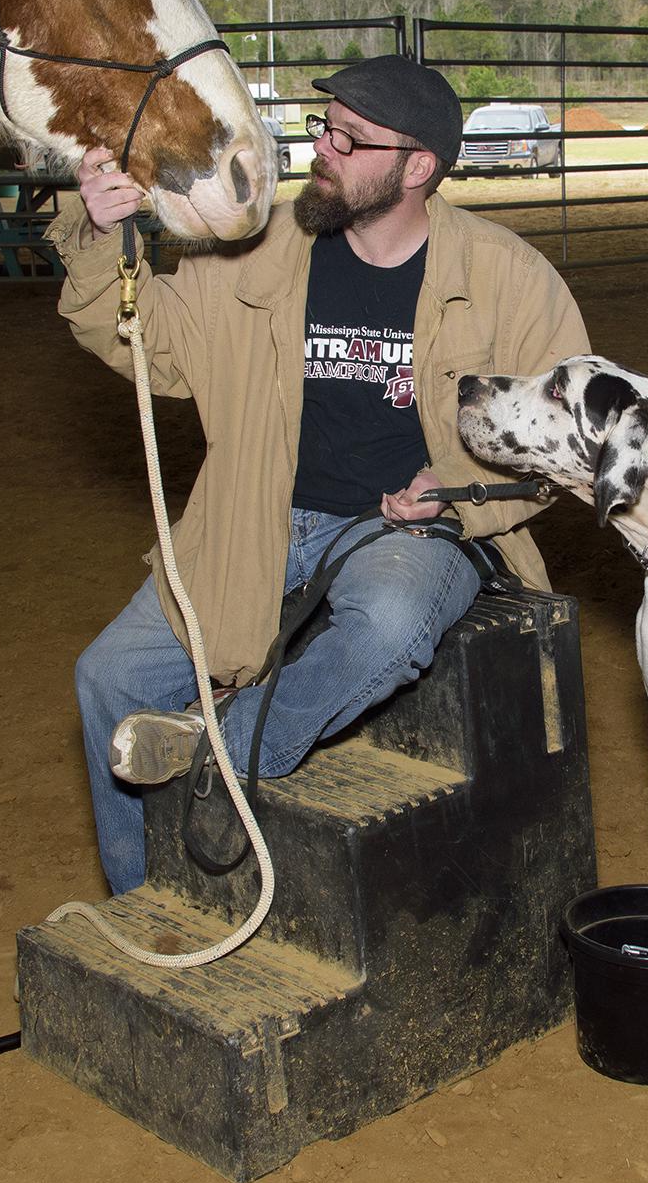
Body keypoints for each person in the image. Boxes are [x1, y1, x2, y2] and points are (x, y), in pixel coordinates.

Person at [51, 55, 589, 893]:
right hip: (258, 516)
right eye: (322, 129)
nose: (324, 151)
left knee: (389, 620)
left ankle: (225, 751)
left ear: (418, 169)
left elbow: (559, 436)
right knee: (107, 676)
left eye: (350, 138)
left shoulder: (507, 279)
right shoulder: (255, 253)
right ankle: (139, 902)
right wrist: (98, 238)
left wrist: (451, 489)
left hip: (407, 528)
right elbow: (145, 339)